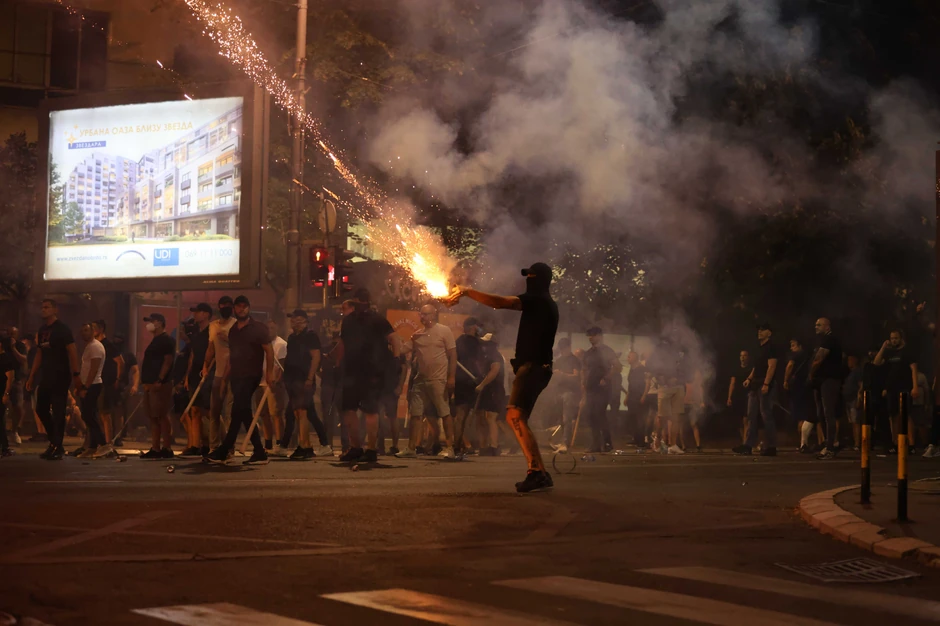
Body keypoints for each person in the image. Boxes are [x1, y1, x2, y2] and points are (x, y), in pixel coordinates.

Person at [446, 262, 559, 493]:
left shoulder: (539, 301)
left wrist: (467, 291)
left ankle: (537, 472)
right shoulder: (542, 303)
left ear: (540, 280)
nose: (527, 279)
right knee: (516, 417)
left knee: (515, 416)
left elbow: (500, 302)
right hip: (533, 367)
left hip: (534, 367)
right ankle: (539, 471)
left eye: (531, 276)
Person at [206, 296, 276, 466]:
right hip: (236, 376)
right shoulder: (234, 331)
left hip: (251, 375)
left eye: (245, 306)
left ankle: (225, 449)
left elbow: (269, 351)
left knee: (238, 410)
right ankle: (259, 452)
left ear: (249, 308)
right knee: (242, 412)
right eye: (239, 307)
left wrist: (270, 373)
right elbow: (232, 356)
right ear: (235, 309)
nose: (241, 309)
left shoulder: (258, 328)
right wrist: (225, 378)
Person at [336, 291, 401, 463]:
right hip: (351, 371)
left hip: (372, 372)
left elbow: (394, 338)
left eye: (360, 302)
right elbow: (342, 343)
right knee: (348, 410)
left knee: (371, 410)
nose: (358, 306)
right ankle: (356, 447)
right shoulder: (348, 321)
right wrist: (337, 364)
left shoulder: (377, 319)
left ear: (366, 302)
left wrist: (396, 360)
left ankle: (371, 449)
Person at [398, 304, 457, 459]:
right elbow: (403, 350)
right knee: (415, 414)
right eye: (421, 314)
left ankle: (450, 447)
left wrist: (451, 377)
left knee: (444, 412)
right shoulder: (417, 335)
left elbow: (453, 355)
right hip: (420, 380)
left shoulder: (444, 330)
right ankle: (411, 447)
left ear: (433, 314)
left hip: (438, 379)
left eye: (425, 314)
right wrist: (393, 340)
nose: (422, 317)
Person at [27, 299, 80, 461]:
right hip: (46, 375)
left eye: (46, 307)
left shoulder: (62, 329)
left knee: (58, 411)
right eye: (41, 307)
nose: (43, 310)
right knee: (41, 408)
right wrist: (32, 375)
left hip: (60, 375)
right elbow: (40, 353)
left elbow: (72, 351)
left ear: (55, 310)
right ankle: (55, 442)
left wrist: (76, 374)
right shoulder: (42, 330)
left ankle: (57, 446)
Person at [283, 309, 331, 460]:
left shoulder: (310, 335)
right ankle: (307, 445)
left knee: (302, 412)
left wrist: (310, 379)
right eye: (292, 319)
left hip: (303, 379)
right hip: (291, 379)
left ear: (304, 320)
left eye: (297, 319)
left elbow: (316, 357)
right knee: (299, 413)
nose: (294, 322)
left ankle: (304, 446)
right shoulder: (291, 337)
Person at [734, 323, 780, 457]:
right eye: (758, 330)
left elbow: (772, 366)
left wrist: (766, 384)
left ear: (769, 333)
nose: (759, 332)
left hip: (765, 385)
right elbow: (756, 367)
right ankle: (748, 445)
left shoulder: (771, 347)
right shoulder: (759, 348)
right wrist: (749, 378)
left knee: (766, 415)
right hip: (755, 384)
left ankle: (772, 446)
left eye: (762, 330)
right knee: (751, 416)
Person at [873, 329, 918, 455]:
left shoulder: (907, 351)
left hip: (904, 387)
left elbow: (914, 369)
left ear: (901, 338)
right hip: (891, 389)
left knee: (906, 415)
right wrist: (883, 347)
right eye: (892, 338)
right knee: (893, 415)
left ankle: (911, 444)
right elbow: (876, 363)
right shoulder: (889, 353)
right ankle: (896, 442)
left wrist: (915, 387)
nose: (894, 340)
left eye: (896, 338)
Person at [139, 313, 176, 459]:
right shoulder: (155, 340)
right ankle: (155, 448)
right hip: (149, 384)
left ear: (159, 323)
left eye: (151, 321)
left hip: (159, 384)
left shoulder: (166, 340)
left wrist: (160, 379)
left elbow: (168, 361)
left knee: (161, 415)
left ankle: (166, 447)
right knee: (153, 416)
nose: (148, 324)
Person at [202, 295, 236, 451]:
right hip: (218, 373)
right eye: (223, 305)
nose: (225, 307)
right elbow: (210, 348)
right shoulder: (213, 326)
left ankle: (229, 448)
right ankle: (213, 447)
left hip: (233, 374)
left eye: (229, 305)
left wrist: (228, 340)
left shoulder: (236, 325)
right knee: (214, 411)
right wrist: (205, 366)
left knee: (230, 413)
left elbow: (241, 347)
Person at [809, 317, 844, 460]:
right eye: (815, 324)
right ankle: (829, 443)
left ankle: (830, 446)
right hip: (821, 381)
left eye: (819, 325)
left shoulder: (830, 340)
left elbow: (819, 359)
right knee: (821, 414)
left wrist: (810, 374)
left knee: (827, 412)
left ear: (827, 327)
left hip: (829, 380)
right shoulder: (822, 340)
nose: (815, 327)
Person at [181, 303, 212, 457]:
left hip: (207, 373)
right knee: (194, 410)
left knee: (208, 410)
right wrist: (188, 375)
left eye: (198, 312)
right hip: (195, 374)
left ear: (206, 314)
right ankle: (195, 444)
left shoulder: (211, 331)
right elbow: (192, 355)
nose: (195, 315)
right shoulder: (196, 333)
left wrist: (207, 368)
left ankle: (210, 443)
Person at [581, 327, 617, 453]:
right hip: (590, 388)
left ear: (600, 336)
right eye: (589, 335)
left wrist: (606, 378)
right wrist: (583, 383)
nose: (590, 337)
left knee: (599, 414)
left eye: (593, 335)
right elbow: (585, 369)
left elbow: (617, 366)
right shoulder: (588, 353)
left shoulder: (607, 350)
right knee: (591, 415)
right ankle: (596, 444)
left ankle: (607, 443)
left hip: (603, 388)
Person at [73, 323, 107, 458]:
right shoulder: (90, 346)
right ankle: (92, 447)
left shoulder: (96, 347)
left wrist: (85, 387)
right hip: (88, 385)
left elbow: (94, 368)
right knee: (88, 416)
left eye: (86, 330)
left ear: (93, 331)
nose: (84, 333)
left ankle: (103, 445)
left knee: (89, 416)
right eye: (82, 331)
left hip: (93, 385)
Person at [454, 317, 485, 453]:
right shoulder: (475, 343)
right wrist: (480, 377)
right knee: (464, 415)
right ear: (473, 327)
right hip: (468, 381)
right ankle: (459, 445)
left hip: (460, 380)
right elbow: (477, 362)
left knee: (462, 414)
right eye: (477, 327)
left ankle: (458, 445)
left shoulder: (458, 341)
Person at [257, 319, 288, 455]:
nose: (269, 331)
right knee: (263, 414)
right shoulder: (261, 343)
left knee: (275, 413)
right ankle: (267, 443)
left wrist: (276, 380)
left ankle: (279, 443)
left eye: (272, 328)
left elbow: (282, 365)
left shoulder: (281, 344)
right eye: (267, 328)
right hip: (260, 382)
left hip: (273, 383)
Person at [92, 320, 123, 452]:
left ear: (101, 329)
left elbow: (120, 362)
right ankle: (97, 441)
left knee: (105, 413)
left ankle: (108, 442)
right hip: (95, 382)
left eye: (93, 328)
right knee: (96, 412)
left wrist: (117, 378)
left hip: (105, 382)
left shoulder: (108, 345)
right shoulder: (94, 345)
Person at [476, 332, 506, 455]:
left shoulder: (495, 356)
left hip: (495, 390)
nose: (484, 346)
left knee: (492, 417)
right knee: (485, 417)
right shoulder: (487, 356)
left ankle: (494, 446)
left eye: (486, 343)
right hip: (489, 390)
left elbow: (494, 372)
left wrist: (482, 384)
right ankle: (486, 445)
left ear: (492, 345)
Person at [783, 339, 815, 453]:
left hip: (797, 388)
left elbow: (790, 365)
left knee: (800, 416)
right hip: (807, 387)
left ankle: (803, 444)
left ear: (800, 346)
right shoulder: (809, 357)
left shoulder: (796, 356)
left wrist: (786, 380)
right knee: (806, 415)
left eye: (793, 345)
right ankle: (804, 442)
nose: (791, 348)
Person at [552, 338, 582, 452]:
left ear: (569, 347)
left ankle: (565, 442)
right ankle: (561, 441)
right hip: (559, 391)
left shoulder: (574, 360)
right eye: (562, 348)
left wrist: (562, 374)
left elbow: (576, 376)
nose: (563, 350)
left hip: (570, 392)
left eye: (565, 347)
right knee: (560, 418)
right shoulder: (559, 360)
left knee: (566, 418)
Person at [113, 334, 139, 447]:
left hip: (121, 386)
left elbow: (135, 370)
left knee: (119, 412)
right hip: (108, 384)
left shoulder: (128, 355)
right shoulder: (109, 351)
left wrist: (135, 385)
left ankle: (117, 436)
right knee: (106, 412)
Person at [6, 327, 28, 446]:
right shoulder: (2, 344)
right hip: (3, 378)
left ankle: (14, 431)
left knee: (18, 407)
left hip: (16, 380)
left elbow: (24, 360)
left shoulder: (20, 346)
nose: (11, 335)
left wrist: (13, 348)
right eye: (9, 333)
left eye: (13, 333)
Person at [624, 351, 649, 449]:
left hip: (639, 396)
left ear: (635, 357)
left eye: (629, 357)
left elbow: (647, 383)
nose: (627, 358)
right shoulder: (632, 369)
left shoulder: (642, 369)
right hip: (632, 397)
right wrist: (627, 396)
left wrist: (644, 396)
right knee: (633, 418)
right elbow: (630, 385)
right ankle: (635, 438)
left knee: (640, 419)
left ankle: (641, 441)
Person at [727, 350, 751, 444]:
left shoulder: (750, 369)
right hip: (737, 396)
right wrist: (729, 397)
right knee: (739, 422)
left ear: (748, 357)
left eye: (745, 355)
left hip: (747, 396)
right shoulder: (736, 369)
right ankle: (743, 440)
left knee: (746, 420)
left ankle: (746, 442)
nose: (743, 357)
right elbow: (732, 383)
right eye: (741, 355)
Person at [0, 336, 18, 457]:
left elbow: (10, 377)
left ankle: (5, 447)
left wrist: (6, 393)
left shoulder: (6, 358)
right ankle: (4, 447)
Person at [843, 354, 864, 451]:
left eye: (850, 359)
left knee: (856, 421)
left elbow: (861, 385)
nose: (848, 362)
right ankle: (855, 442)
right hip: (848, 399)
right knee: (852, 421)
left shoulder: (857, 371)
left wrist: (859, 398)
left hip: (854, 399)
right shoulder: (850, 372)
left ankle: (857, 443)